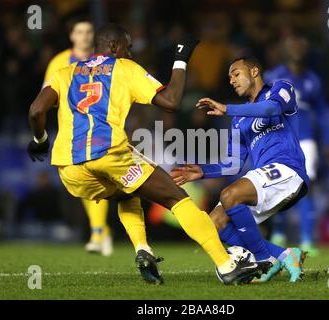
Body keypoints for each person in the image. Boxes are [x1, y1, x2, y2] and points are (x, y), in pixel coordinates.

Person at [27, 23, 262, 285]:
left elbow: (36, 110)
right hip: (110, 154)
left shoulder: (63, 72)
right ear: (114, 46)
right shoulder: (125, 68)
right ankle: (227, 265)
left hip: (69, 168)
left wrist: (40, 140)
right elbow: (171, 101)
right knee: (177, 198)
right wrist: (181, 59)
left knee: (127, 192)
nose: (130, 54)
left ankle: (143, 249)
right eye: (128, 48)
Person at [171, 56, 309, 282]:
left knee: (229, 195)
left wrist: (226, 109)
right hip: (265, 180)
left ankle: (264, 260)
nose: (232, 81)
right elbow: (232, 163)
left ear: (254, 71)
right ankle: (284, 254)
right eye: (229, 78)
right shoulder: (238, 119)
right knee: (214, 222)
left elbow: (271, 109)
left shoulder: (281, 88)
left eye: (236, 74)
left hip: (288, 170)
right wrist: (202, 171)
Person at [43, 18, 113, 256]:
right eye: (79, 31)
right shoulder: (59, 62)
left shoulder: (103, 62)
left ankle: (99, 232)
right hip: (71, 130)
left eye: (88, 31)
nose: (84, 36)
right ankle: (102, 230)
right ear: (72, 36)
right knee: (88, 179)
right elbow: (46, 97)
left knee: (96, 175)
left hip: (103, 129)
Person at [264, 35, 329, 256]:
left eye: (300, 44)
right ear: (284, 50)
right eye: (292, 44)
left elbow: (322, 113)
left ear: (306, 50)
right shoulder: (273, 76)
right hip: (280, 137)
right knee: (277, 184)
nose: (296, 48)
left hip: (306, 139)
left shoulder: (313, 79)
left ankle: (306, 239)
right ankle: (278, 232)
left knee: (307, 187)